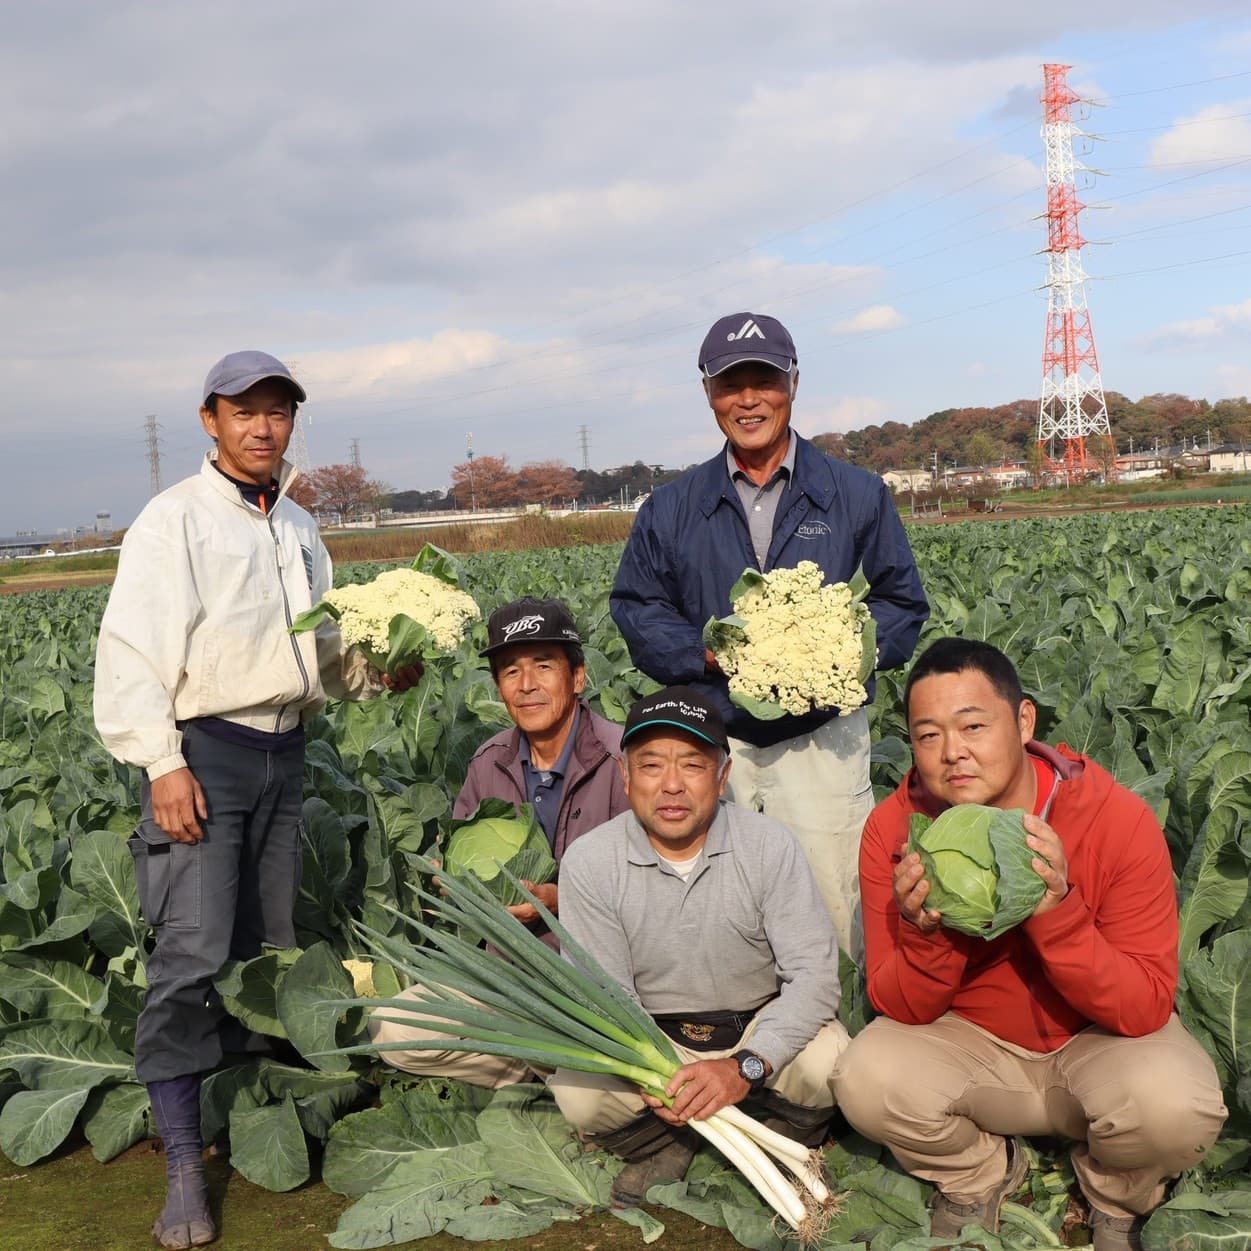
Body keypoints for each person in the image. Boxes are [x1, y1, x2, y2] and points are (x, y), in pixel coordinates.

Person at [93, 351, 418, 1250]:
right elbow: (130, 650)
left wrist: (382, 670)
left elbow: (324, 652)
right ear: (210, 419)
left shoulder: (300, 526)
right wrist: (162, 762)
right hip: (208, 754)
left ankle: (241, 1112)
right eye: (245, 411)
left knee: (264, 948)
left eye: (277, 411)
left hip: (285, 752)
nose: (263, 427)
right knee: (191, 951)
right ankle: (182, 1159)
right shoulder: (175, 521)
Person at [831, 638, 1227, 1250]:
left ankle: (1116, 1194)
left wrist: (1057, 915)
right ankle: (977, 1173)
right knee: (864, 1078)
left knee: (1177, 1107)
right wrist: (928, 933)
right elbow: (897, 1004)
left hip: (1097, 1045)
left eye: (973, 726)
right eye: (928, 735)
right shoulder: (895, 830)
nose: (952, 752)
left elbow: (1146, 1005)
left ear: (1023, 721)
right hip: (973, 1050)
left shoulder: (1115, 819)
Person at [610, 312, 928, 959]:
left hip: (823, 742)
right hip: (715, 739)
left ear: (793, 384)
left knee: (834, 910)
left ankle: (839, 1017)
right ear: (708, 393)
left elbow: (901, 601)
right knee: (717, 918)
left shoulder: (856, 493)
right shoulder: (670, 508)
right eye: (731, 384)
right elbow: (636, 607)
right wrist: (706, 653)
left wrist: (842, 657)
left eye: (765, 381)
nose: (748, 399)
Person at [549, 686, 849, 1208]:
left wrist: (744, 1067)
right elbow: (607, 998)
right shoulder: (590, 861)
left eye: (693, 765)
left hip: (754, 1029)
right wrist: (656, 1072)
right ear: (625, 776)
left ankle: (771, 1121)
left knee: (831, 1062)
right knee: (580, 1095)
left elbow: (814, 978)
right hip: (651, 1039)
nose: (672, 785)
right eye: (650, 766)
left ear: (723, 776)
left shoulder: (769, 845)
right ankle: (669, 1138)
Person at [369, 596, 630, 1081]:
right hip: (510, 980)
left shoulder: (627, 760)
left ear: (578, 677)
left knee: (591, 1061)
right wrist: (455, 886)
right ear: (499, 687)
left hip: (610, 984)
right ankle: (544, 1072)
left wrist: (559, 900)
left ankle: (567, 1072)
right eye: (511, 671)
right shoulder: (488, 762)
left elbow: (660, 887)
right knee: (393, 1029)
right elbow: (458, 857)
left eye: (543, 666)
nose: (526, 684)